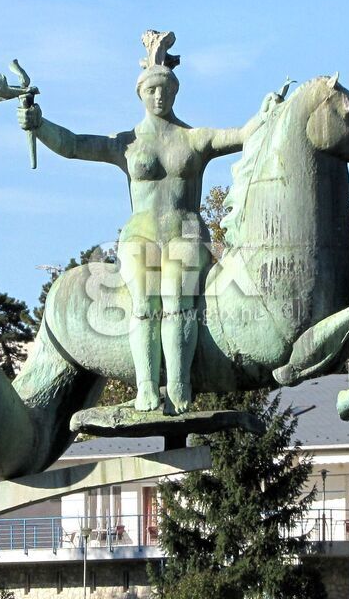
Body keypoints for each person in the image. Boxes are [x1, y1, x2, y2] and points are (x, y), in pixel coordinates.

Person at [16, 31, 265, 413]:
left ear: (175, 92)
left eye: (165, 89)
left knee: (179, 304)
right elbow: (73, 145)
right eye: (151, 90)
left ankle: (179, 387)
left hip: (185, 232)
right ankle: (147, 388)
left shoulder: (195, 138)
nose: (159, 96)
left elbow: (245, 134)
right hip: (141, 234)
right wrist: (39, 124)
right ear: (141, 94)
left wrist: (268, 114)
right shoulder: (126, 143)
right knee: (144, 306)